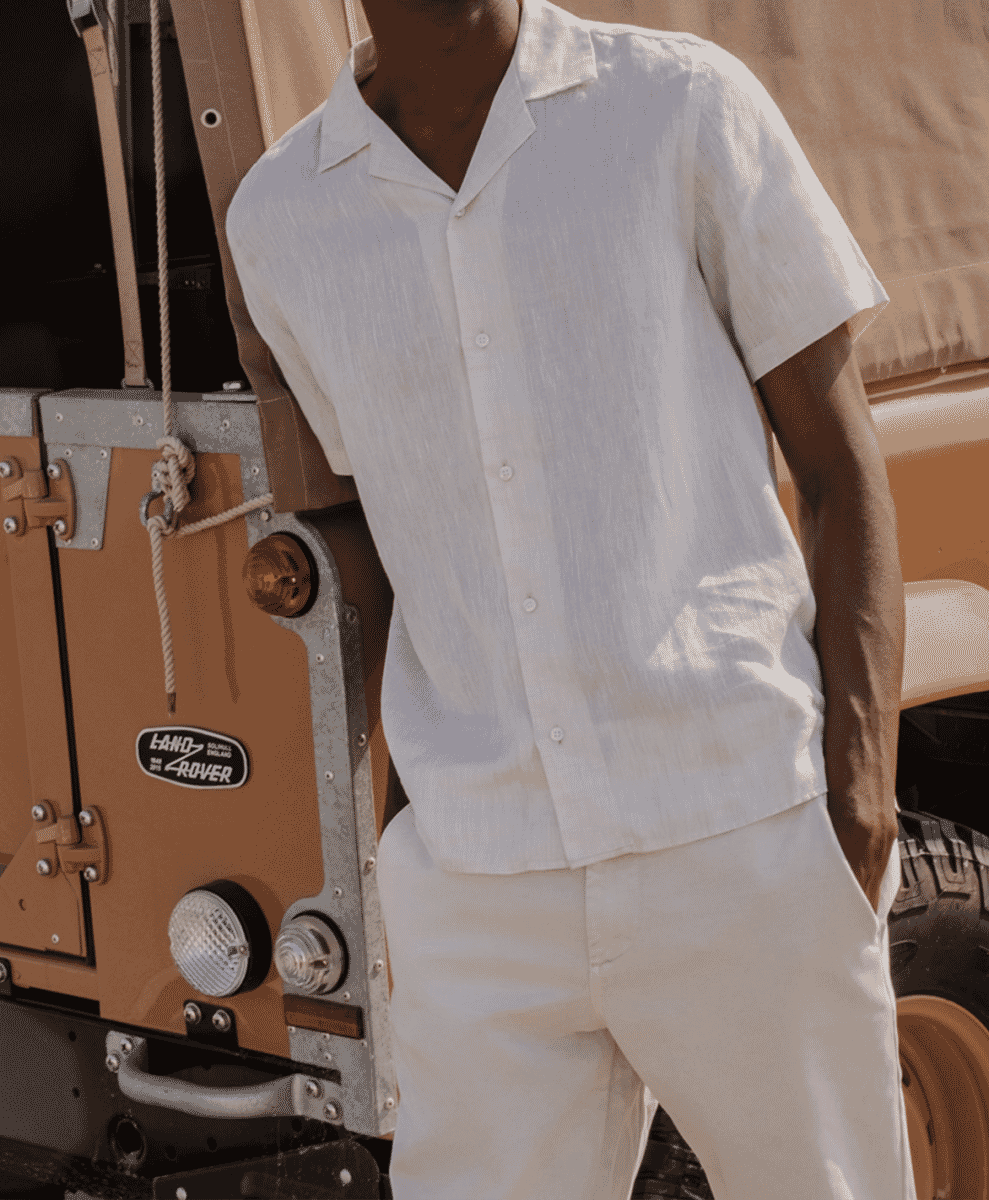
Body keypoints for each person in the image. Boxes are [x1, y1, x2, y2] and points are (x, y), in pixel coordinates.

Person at [226, 0, 914, 1195]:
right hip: (479, 876)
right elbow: (384, 540)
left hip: (736, 827)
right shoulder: (282, 219)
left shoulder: (679, 106)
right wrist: (408, 846)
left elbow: (839, 464)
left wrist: (855, 795)